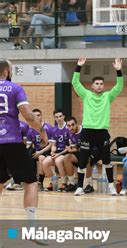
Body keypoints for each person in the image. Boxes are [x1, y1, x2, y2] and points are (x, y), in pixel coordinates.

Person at [0, 59, 48, 231]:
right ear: (6, 71)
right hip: (12, 141)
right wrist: (42, 131)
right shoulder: (15, 88)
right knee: (30, 181)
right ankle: (32, 226)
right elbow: (28, 116)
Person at [72, 57, 123, 196]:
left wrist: (119, 71)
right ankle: (80, 187)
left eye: (101, 83)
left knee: (106, 160)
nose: (99, 85)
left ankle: (111, 186)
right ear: (92, 86)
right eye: (97, 83)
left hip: (102, 132)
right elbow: (75, 83)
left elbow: (119, 87)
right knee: (83, 160)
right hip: (87, 131)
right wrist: (79, 67)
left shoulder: (108, 96)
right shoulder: (86, 95)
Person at [42, 109, 71, 191]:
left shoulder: (68, 128)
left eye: (60, 116)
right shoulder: (53, 130)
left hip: (66, 152)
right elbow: (54, 145)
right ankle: (53, 181)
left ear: (64, 117)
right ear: (54, 118)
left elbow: (69, 147)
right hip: (58, 152)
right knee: (45, 162)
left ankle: (64, 183)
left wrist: (58, 154)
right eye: (56, 117)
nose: (59, 118)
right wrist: (52, 151)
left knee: (58, 161)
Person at [26, 109, 54, 191]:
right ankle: (27, 180)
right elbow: (28, 145)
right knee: (30, 155)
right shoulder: (31, 130)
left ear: (41, 116)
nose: (37, 117)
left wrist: (41, 152)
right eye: (35, 115)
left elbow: (51, 144)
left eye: (38, 115)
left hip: (47, 150)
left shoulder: (48, 127)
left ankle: (41, 182)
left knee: (41, 157)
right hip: (37, 152)